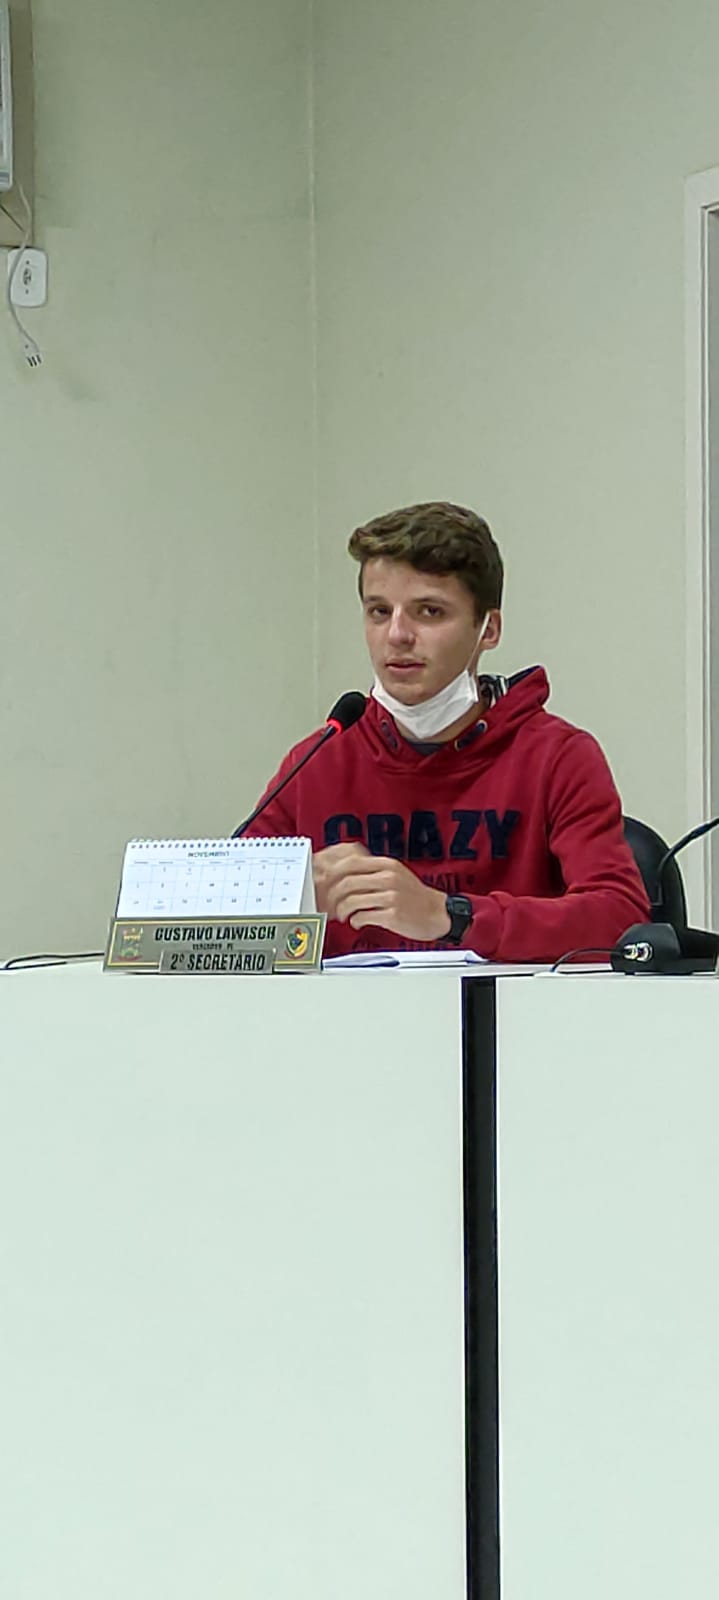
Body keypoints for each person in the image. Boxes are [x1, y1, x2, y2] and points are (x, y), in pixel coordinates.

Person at [242, 501, 649, 961]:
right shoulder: (318, 759)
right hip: (347, 1007)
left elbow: (620, 920)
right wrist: (292, 890)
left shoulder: (557, 756)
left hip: (501, 1007)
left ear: (488, 630)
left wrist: (451, 916)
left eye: (429, 612)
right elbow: (208, 914)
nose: (397, 635)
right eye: (379, 612)